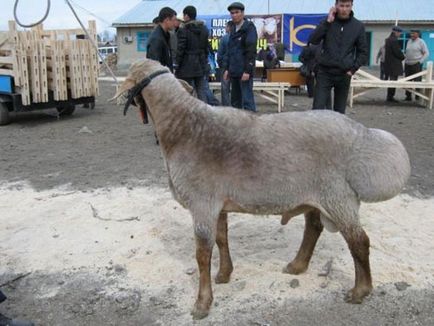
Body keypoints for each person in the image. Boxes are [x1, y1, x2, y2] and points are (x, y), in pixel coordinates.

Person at [309, 0, 368, 114]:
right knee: (317, 110)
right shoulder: (327, 23)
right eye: (341, 6)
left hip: (344, 74)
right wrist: (327, 22)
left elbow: (363, 52)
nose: (344, 9)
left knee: (339, 113)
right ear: (336, 6)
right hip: (325, 73)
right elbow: (313, 40)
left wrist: (352, 69)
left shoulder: (358, 26)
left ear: (351, 6)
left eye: (347, 6)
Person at [222, 2, 258, 112]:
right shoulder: (232, 28)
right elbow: (229, 51)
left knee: (247, 101)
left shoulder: (249, 28)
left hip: (244, 72)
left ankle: (253, 126)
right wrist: (227, 69)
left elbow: (251, 51)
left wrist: (247, 70)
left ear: (243, 13)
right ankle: (237, 127)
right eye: (232, 13)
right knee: (235, 102)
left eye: (237, 12)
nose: (234, 15)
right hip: (233, 71)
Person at [175, 6, 209, 102]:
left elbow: (180, 49)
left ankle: (189, 114)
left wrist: (176, 64)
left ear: (186, 16)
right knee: (201, 91)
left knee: (187, 92)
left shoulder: (183, 30)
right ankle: (204, 113)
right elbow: (206, 48)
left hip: (186, 66)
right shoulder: (204, 29)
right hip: (201, 64)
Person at [146, 7, 177, 72]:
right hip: (160, 79)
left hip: (166, 76)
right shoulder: (156, 39)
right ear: (167, 20)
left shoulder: (166, 35)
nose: (175, 23)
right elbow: (154, 65)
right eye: (174, 20)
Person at [404, 30, 429, 101]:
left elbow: (426, 53)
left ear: (418, 34)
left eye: (413, 33)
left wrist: (420, 62)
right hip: (408, 64)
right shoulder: (409, 41)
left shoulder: (421, 42)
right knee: (408, 81)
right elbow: (407, 51)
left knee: (417, 81)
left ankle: (418, 97)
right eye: (411, 33)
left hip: (416, 65)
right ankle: (408, 97)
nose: (412, 35)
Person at [384, 26, 405, 103]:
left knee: (391, 81)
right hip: (394, 64)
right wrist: (403, 57)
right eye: (399, 33)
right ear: (395, 32)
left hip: (389, 64)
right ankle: (390, 97)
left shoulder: (388, 40)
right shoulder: (393, 40)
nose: (400, 34)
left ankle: (389, 96)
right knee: (393, 81)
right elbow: (397, 52)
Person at [217, 21, 232, 106]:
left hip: (224, 66)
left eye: (226, 27)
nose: (225, 28)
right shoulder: (237, 37)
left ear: (229, 27)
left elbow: (219, 54)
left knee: (225, 88)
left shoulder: (224, 38)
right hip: (235, 66)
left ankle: (226, 107)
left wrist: (221, 64)